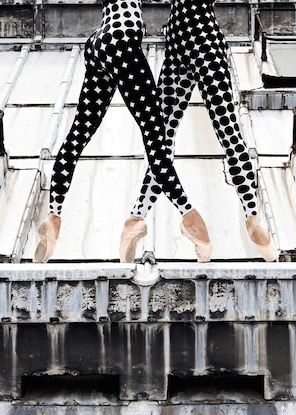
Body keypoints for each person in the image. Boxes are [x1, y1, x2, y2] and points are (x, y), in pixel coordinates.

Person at [34, 0, 212, 263]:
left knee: (77, 136)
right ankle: (189, 217)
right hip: (123, 39)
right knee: (156, 140)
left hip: (98, 45)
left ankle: (54, 215)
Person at [118, 0, 278, 262]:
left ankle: (137, 216)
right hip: (205, 38)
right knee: (230, 133)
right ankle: (252, 216)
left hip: (178, 38)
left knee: (162, 141)